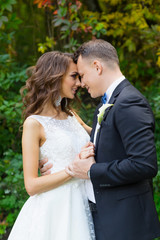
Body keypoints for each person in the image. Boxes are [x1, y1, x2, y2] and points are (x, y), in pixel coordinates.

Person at [41, 39, 160, 240]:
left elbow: (144, 164)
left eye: (82, 75)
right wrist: (54, 158)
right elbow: (104, 146)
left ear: (97, 66)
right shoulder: (108, 103)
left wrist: (90, 171)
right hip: (103, 217)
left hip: (125, 223)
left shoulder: (129, 102)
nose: (81, 82)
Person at [8, 51, 96, 240]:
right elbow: (31, 185)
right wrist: (72, 169)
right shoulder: (34, 124)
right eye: (74, 76)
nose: (79, 83)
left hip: (84, 200)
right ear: (54, 76)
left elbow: (99, 139)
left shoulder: (71, 115)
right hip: (56, 208)